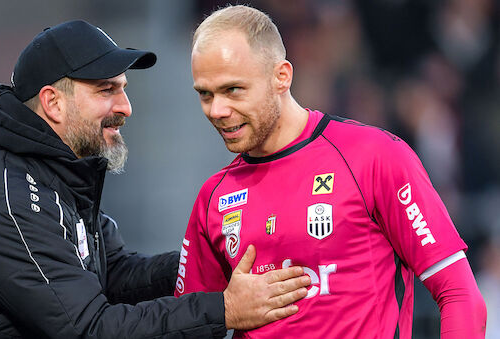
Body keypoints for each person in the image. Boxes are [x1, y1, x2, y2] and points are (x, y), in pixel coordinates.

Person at [0, 20, 312, 338]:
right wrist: (223, 310)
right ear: (53, 103)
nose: (126, 106)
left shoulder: (58, 171)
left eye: (124, 88)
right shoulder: (12, 203)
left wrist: (213, 257)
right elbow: (89, 329)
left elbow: (113, 275)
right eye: (106, 90)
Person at [174, 5, 487, 338]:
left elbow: (460, 295)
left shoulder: (373, 157)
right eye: (205, 94)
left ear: (281, 76)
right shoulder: (214, 198)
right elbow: (189, 326)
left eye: (233, 89)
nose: (217, 110)